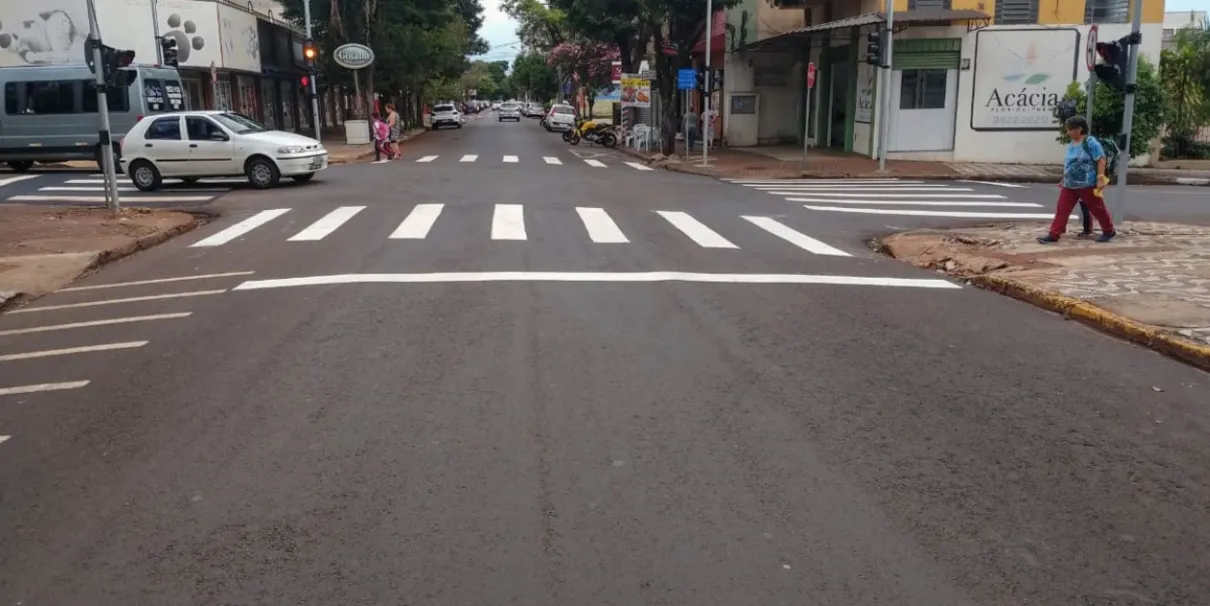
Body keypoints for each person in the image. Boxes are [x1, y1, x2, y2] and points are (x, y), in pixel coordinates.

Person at [1038, 116, 1116, 244]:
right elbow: (1070, 163)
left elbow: (1101, 159)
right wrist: (1064, 178)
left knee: (1098, 209)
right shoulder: (1072, 144)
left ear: (1079, 129)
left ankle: (1109, 230)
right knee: (1062, 209)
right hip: (1069, 185)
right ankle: (1054, 234)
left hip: (1087, 184)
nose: (1068, 132)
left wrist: (1100, 178)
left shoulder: (1090, 142)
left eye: (1070, 129)